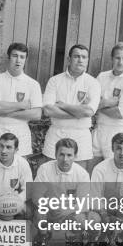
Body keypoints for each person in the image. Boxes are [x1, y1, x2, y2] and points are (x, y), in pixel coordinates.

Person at [32, 138, 95, 246]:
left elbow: (84, 204)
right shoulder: (45, 169)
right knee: (38, 212)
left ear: (75, 156)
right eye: (61, 154)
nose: (65, 159)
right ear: (55, 154)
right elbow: (36, 196)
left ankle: (71, 239)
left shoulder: (82, 174)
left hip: (69, 211)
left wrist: (65, 210)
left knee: (81, 219)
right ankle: (43, 234)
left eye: (69, 155)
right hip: (50, 208)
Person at [43, 44, 100, 172]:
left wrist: (63, 105)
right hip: (56, 133)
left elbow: (89, 111)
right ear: (69, 59)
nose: (80, 60)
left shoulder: (93, 83)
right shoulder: (54, 81)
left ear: (87, 60)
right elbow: (48, 110)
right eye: (76, 56)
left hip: (80, 135)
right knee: (51, 176)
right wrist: (79, 112)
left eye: (84, 57)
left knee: (78, 180)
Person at [90, 42, 123, 173]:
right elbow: (89, 103)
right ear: (112, 58)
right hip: (99, 129)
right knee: (92, 173)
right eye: (117, 58)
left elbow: (120, 113)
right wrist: (109, 102)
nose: (120, 62)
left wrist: (98, 105)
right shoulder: (102, 76)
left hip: (118, 132)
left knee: (112, 175)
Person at [0, 42, 42, 157]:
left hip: (20, 132)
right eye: (15, 56)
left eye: (22, 57)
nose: (18, 60)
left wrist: (5, 112)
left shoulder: (33, 84)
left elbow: (36, 114)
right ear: (8, 58)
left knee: (18, 171)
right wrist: (21, 105)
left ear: (25, 60)